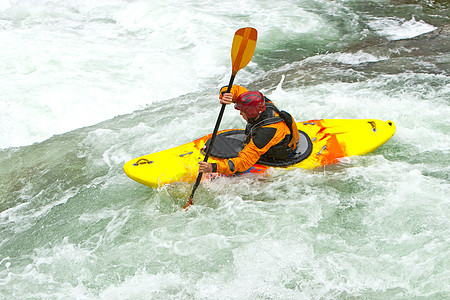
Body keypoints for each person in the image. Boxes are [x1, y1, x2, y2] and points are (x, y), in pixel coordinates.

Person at [199, 85, 300, 175]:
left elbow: (244, 162)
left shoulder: (266, 133)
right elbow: (239, 91)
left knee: (242, 163)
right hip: (277, 139)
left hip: (276, 155)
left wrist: (214, 167)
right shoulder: (261, 103)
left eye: (242, 112)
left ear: (251, 113)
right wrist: (227, 94)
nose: (240, 114)